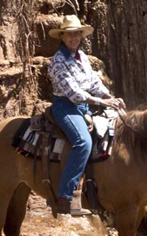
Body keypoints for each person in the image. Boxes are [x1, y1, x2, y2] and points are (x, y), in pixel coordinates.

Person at [48, 15, 126, 216]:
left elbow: (94, 84)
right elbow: (74, 94)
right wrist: (102, 102)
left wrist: (111, 97)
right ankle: (65, 197)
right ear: (62, 37)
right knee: (83, 142)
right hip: (66, 107)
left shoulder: (82, 57)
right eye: (69, 34)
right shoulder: (58, 61)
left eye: (76, 33)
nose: (73, 37)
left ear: (81, 35)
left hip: (85, 106)